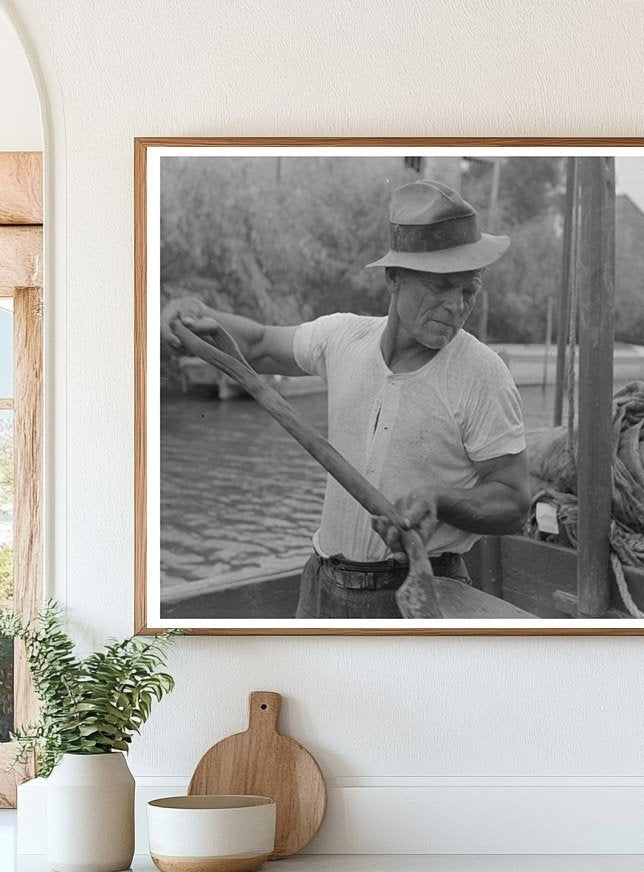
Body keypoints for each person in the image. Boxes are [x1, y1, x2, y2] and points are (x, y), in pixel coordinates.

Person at [161, 178, 531, 619]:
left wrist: (440, 499)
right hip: (321, 582)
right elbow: (258, 344)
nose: (456, 305)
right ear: (394, 279)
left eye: (468, 290)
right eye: (441, 287)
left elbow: (514, 502)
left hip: (422, 589)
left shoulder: (482, 374)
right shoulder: (343, 338)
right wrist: (192, 313)